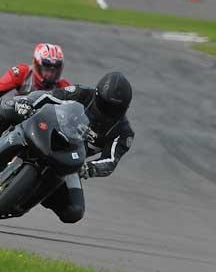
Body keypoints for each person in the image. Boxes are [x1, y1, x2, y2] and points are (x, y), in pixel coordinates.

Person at [0, 72, 134, 223]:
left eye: (115, 109)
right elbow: (48, 96)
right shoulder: (81, 93)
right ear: (97, 96)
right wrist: (28, 102)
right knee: (8, 107)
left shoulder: (124, 133)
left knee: (74, 211)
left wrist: (90, 168)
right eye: (106, 105)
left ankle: (32, 195)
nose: (109, 112)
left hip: (72, 161)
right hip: (49, 131)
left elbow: (110, 160)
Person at [0, 43, 72, 96]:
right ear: (37, 65)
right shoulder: (21, 72)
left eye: (54, 70)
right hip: (18, 114)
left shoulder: (63, 86)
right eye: (46, 69)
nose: (50, 74)